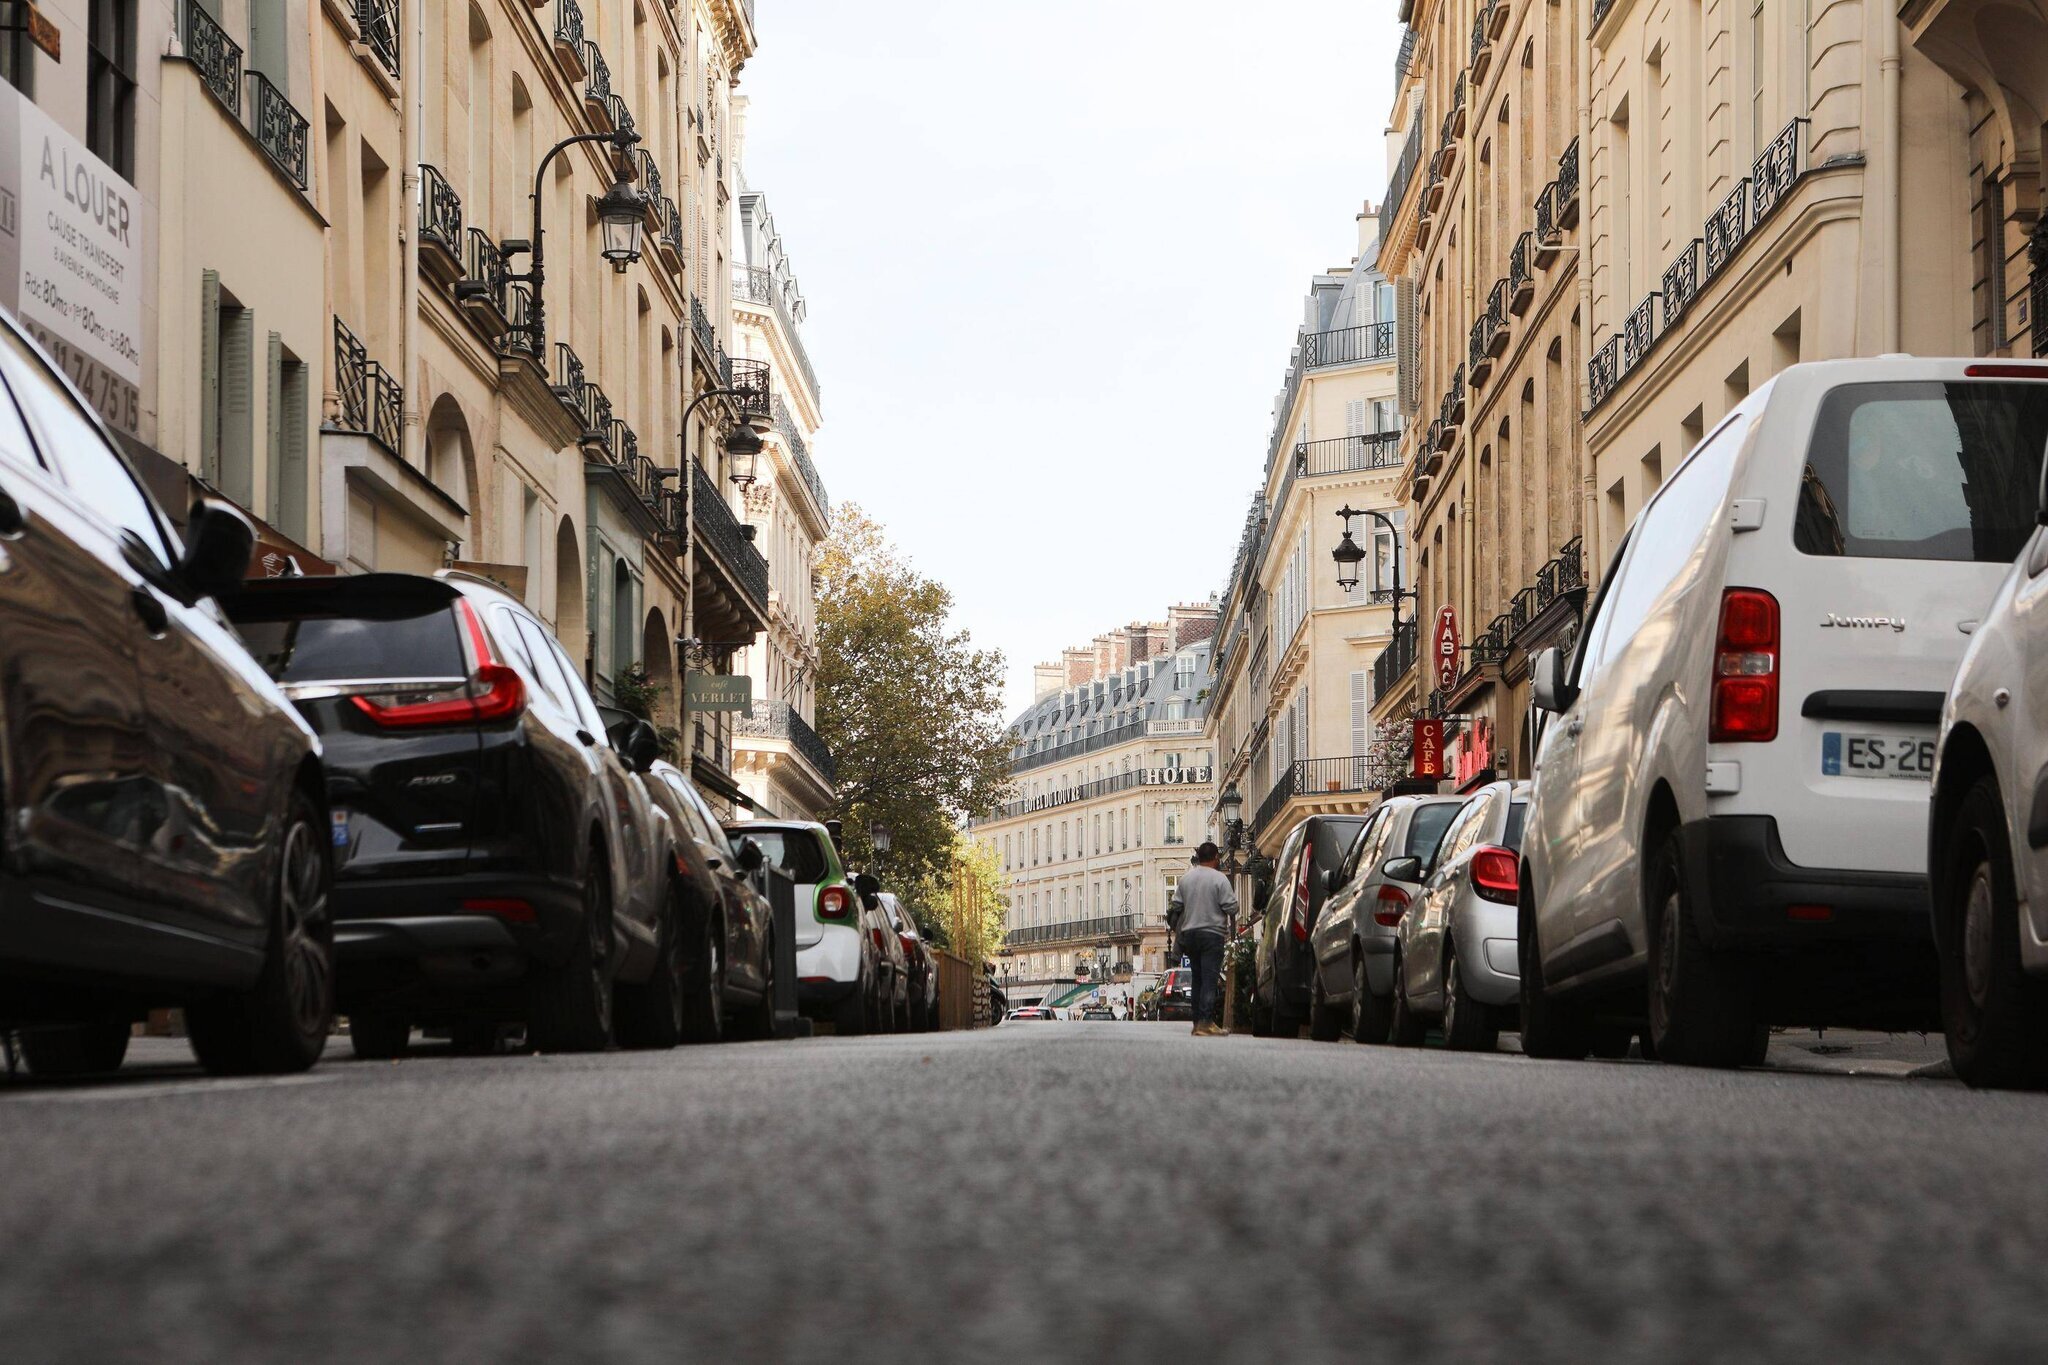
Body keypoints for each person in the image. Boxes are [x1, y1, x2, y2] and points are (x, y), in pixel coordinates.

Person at [1167, 841, 1238, 1036]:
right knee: (1209, 979)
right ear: (1215, 858)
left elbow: (1176, 905)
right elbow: (1231, 907)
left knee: (1197, 978)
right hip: (1211, 934)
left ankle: (1197, 1021)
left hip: (1190, 934)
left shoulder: (1186, 879)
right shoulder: (1220, 879)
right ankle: (1206, 1022)